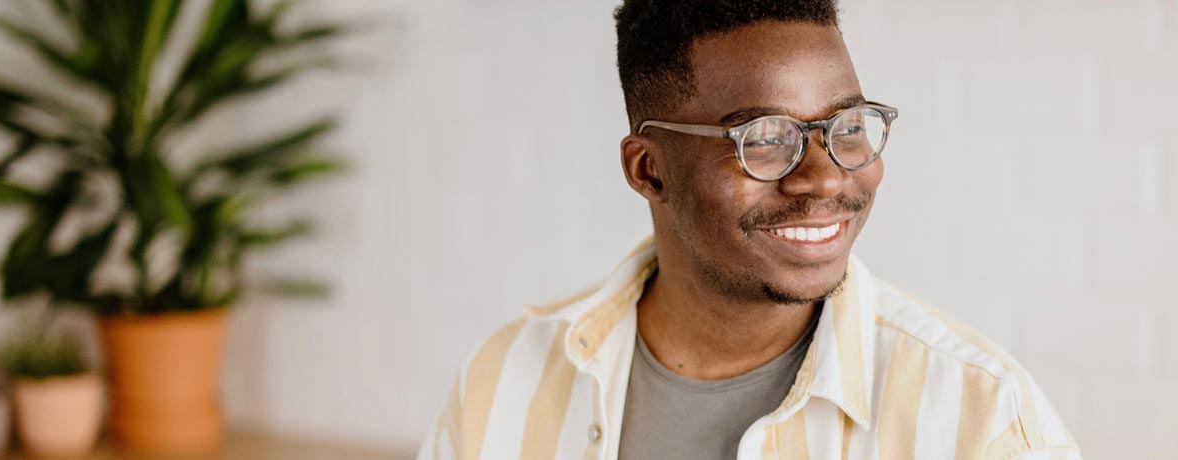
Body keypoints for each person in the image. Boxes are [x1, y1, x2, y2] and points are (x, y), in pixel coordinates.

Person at [416, 0, 1080, 458]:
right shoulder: (505, 381)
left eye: (848, 128)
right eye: (765, 138)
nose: (825, 178)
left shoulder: (982, 419)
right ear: (649, 170)